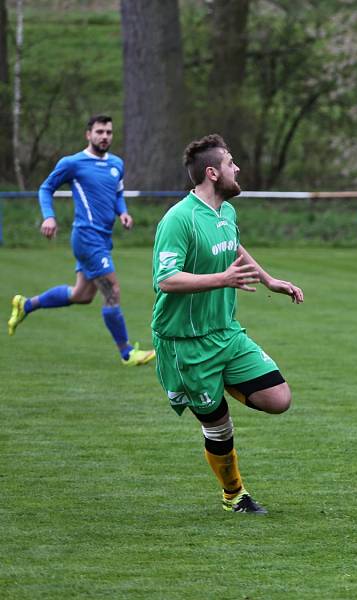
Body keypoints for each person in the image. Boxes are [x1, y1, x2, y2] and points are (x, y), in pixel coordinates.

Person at [151, 134, 304, 515]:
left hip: (225, 332)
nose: (237, 169)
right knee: (219, 427)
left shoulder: (226, 213)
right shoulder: (178, 220)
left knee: (279, 399)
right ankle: (234, 494)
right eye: (231, 163)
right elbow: (165, 279)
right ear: (212, 172)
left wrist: (269, 279)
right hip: (186, 342)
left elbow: (232, 246)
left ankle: (221, 382)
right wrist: (223, 280)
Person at [7, 114, 155, 366]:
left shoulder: (117, 163)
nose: (105, 136)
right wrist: (49, 217)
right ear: (88, 134)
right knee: (113, 292)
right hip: (87, 238)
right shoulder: (73, 163)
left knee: (82, 295)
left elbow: (118, 193)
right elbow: (46, 188)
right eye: (99, 132)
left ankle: (26, 305)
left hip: (103, 238)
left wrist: (124, 213)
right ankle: (127, 353)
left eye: (108, 132)